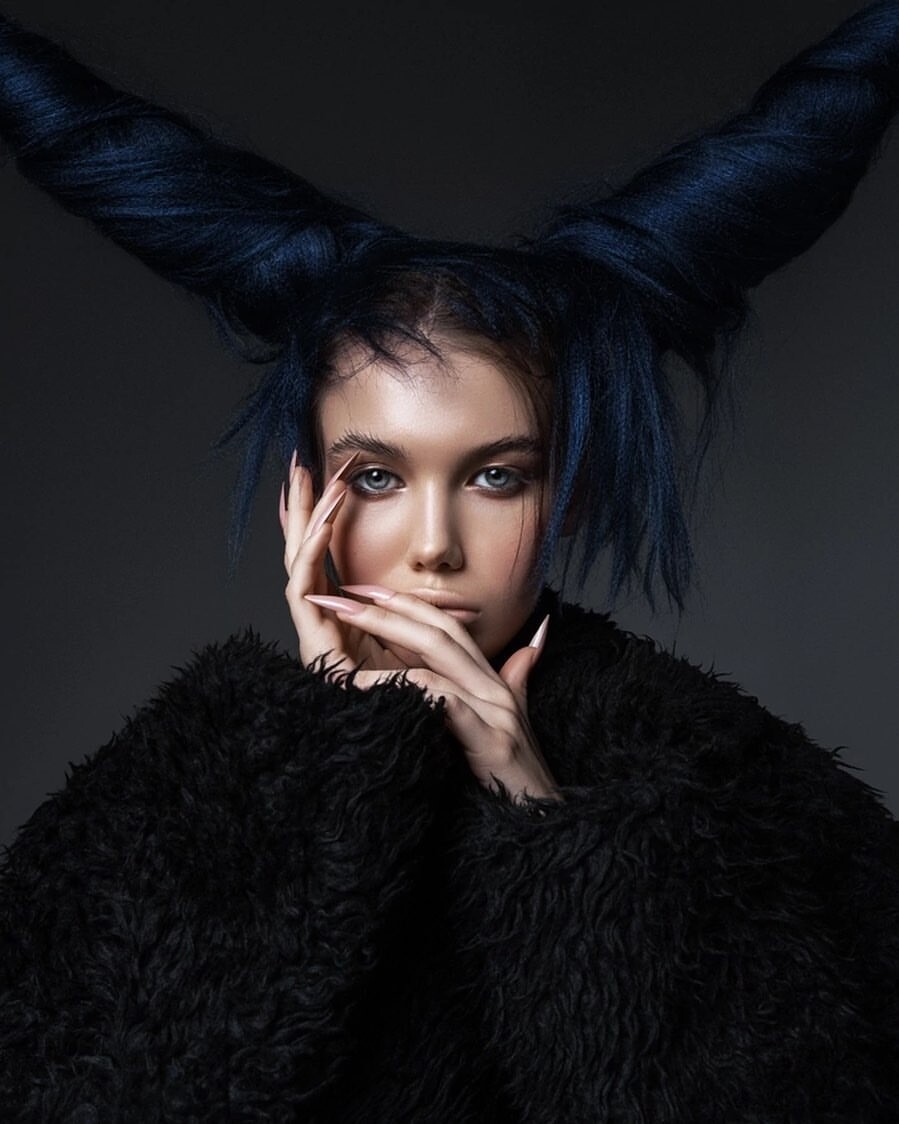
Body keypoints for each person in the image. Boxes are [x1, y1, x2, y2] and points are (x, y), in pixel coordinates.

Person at [1, 4, 897, 1121]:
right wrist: (329, 757)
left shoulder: (724, 785)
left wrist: (542, 826)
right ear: (305, 493)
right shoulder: (177, 792)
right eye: (377, 476)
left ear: (566, 488)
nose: (432, 544)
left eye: (495, 475)